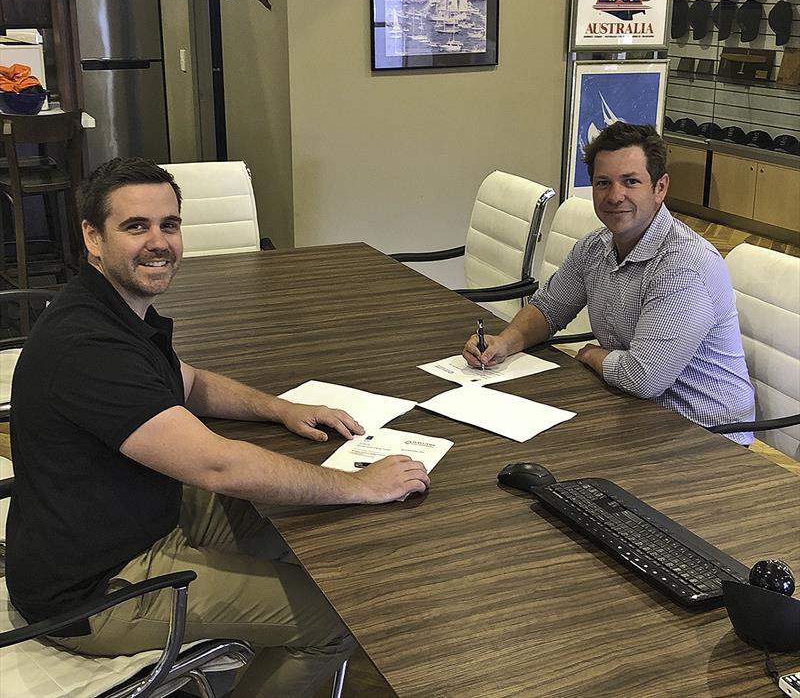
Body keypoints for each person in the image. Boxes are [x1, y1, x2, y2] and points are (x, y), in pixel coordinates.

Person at [7, 157, 430, 697]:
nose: (158, 241)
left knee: (292, 521)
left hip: (130, 520)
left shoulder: (112, 309)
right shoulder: (89, 346)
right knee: (339, 620)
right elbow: (219, 465)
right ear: (92, 236)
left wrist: (280, 408)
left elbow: (186, 383)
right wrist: (360, 485)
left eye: (170, 224)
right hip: (94, 591)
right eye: (136, 226)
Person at [463, 122, 754, 445]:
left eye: (631, 182)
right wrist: (504, 342)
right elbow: (548, 310)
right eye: (604, 183)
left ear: (660, 188)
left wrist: (591, 355)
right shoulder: (595, 246)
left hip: (705, 438)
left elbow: (643, 377)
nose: (615, 196)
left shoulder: (683, 266)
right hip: (633, 411)